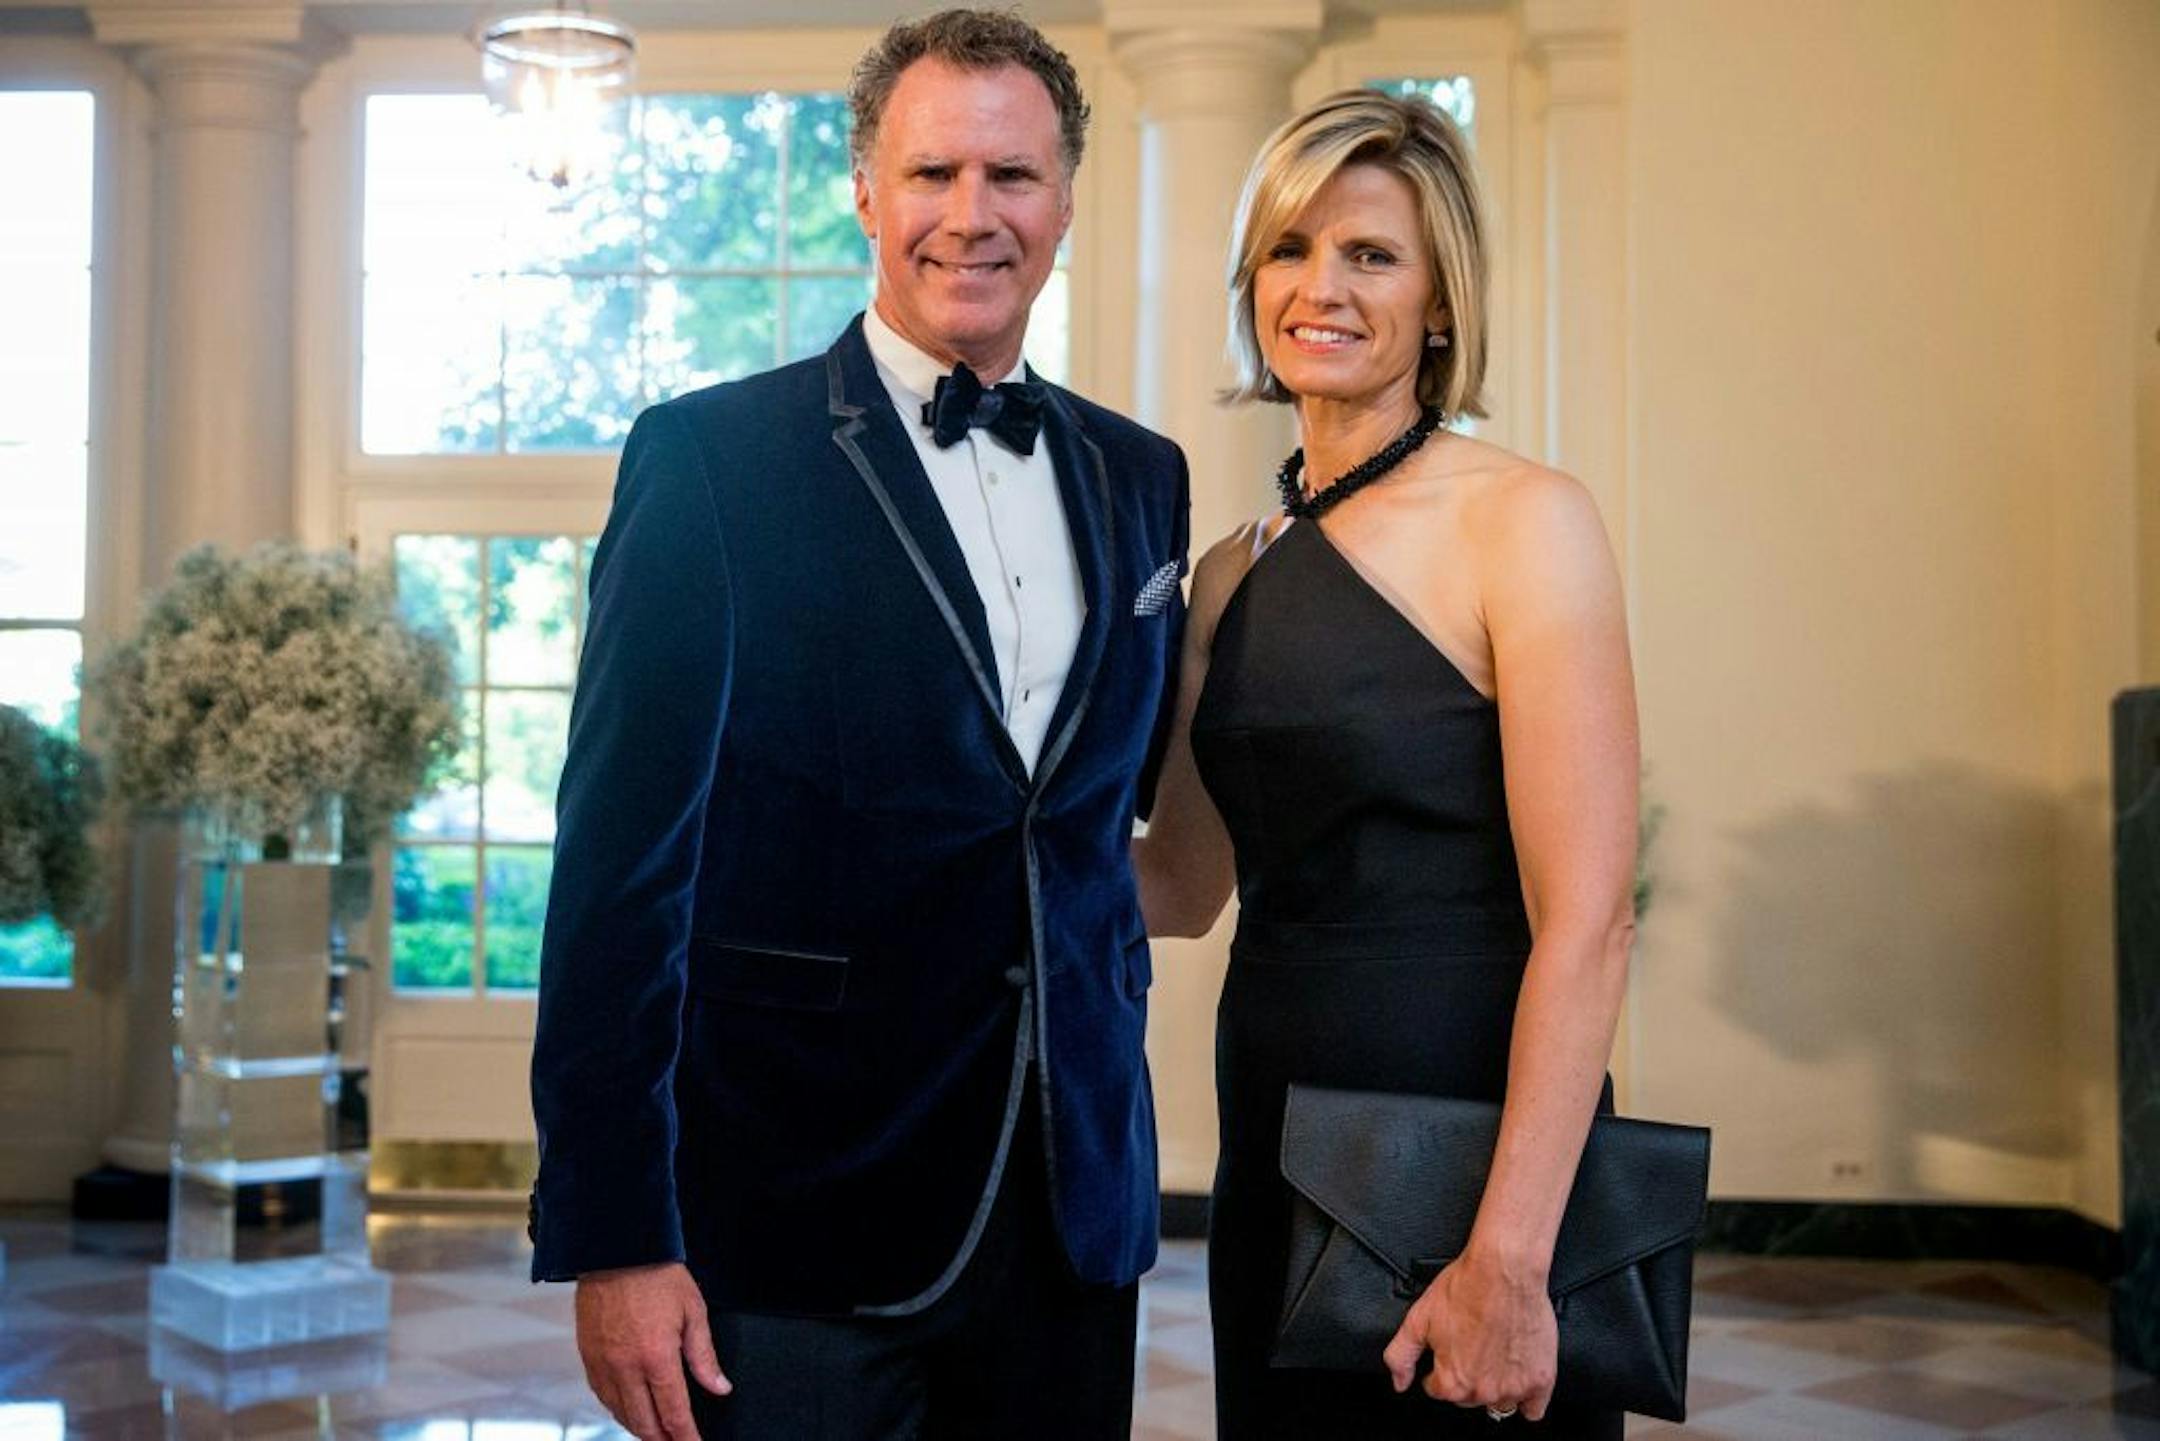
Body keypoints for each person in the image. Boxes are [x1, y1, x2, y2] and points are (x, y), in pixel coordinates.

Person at [526, 11, 1190, 1440]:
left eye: (1013, 177)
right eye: (933, 172)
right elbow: (616, 883)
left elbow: (1085, 832)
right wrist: (617, 1233)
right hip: (797, 1216)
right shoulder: (711, 461)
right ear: (867, 196)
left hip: (1071, 1214)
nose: (973, 214)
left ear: (1066, 197)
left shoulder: (1146, 480)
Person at [1134, 89, 1637, 1438]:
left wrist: (1512, 1256)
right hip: (1274, 1122)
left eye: (1372, 255)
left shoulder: (1526, 520)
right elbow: (1179, 882)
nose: (1323, 287)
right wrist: (929, 861)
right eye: (1292, 250)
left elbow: (1588, 920)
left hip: (1469, 1135)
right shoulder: (1228, 568)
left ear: (1440, 301)